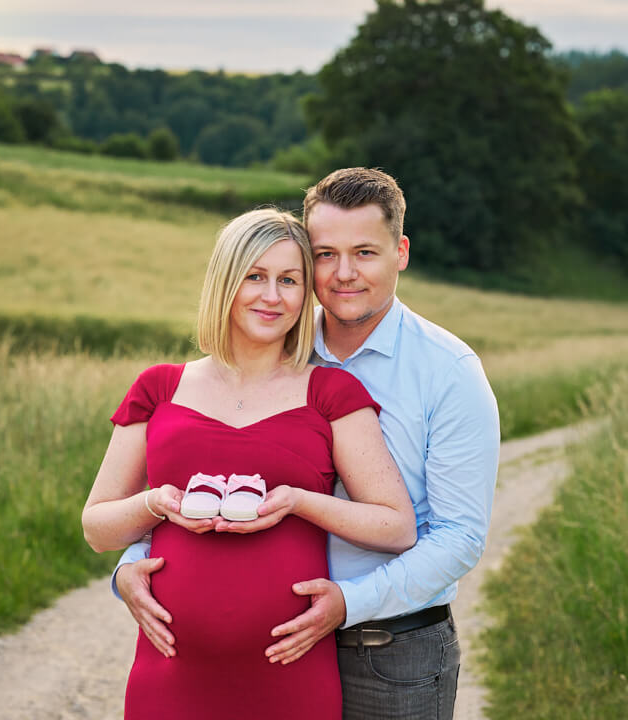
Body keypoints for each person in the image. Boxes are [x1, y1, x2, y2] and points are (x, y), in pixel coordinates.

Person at [114, 169, 500, 719]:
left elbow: (460, 537)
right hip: (267, 657)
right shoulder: (274, 338)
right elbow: (193, 471)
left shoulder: (449, 371)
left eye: (365, 252)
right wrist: (132, 563)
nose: (344, 274)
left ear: (402, 253)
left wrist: (348, 604)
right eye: (325, 254)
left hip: (388, 650)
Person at [82, 208, 416, 720]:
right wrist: (158, 503)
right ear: (224, 283)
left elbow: (396, 527)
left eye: (289, 280)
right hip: (171, 673)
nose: (272, 296)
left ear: (306, 294)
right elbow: (97, 528)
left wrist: (299, 502)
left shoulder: (331, 392)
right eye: (255, 277)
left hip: (290, 673)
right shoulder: (159, 389)